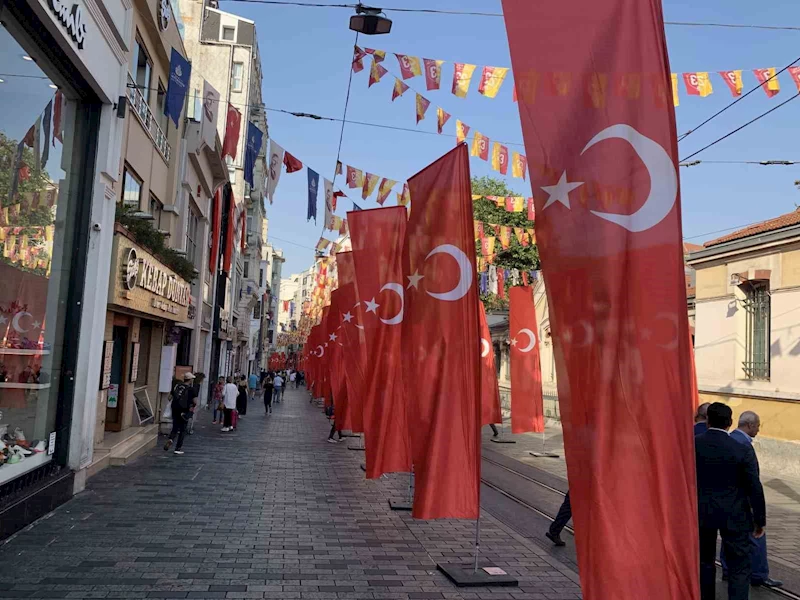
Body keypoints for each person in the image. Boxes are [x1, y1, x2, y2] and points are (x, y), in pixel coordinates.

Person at [696, 402, 766, 600]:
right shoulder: (741, 448)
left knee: (704, 562)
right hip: (736, 515)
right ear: (730, 423)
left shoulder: (693, 444)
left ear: (708, 420)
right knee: (739, 566)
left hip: (702, 514)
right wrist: (759, 520)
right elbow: (754, 486)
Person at [720, 411, 783, 589]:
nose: (758, 430)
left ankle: (727, 568)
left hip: (726, 500)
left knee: (729, 537)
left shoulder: (729, 439)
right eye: (757, 426)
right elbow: (753, 482)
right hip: (742, 501)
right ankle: (759, 574)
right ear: (749, 425)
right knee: (756, 537)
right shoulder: (743, 445)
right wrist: (759, 516)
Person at [164, 373, 198, 455]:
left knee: (175, 427)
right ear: (190, 380)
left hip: (175, 409)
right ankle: (178, 448)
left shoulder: (177, 386)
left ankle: (171, 439)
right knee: (182, 429)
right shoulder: (191, 389)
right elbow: (195, 401)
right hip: (184, 411)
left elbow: (169, 398)